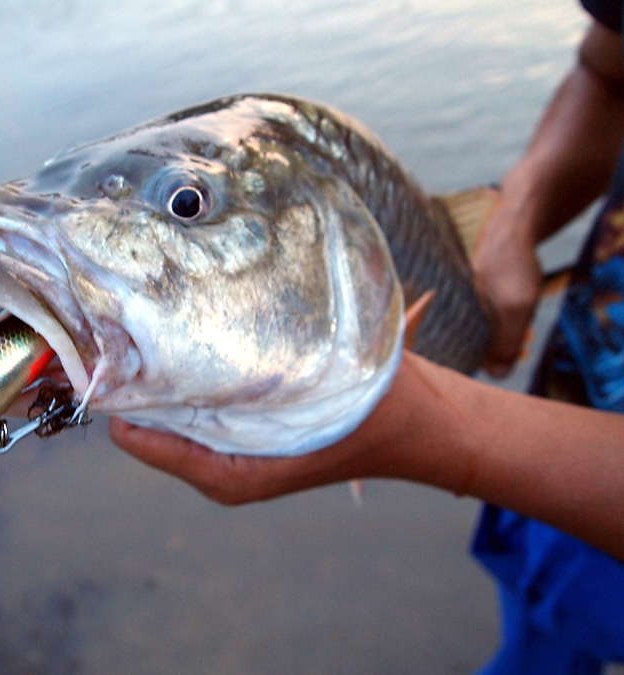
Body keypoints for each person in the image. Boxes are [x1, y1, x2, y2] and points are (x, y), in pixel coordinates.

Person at [110, 3, 624, 673]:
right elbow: (607, 67)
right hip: (553, 435)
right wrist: (514, 222)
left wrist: (441, 430)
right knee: (541, 633)